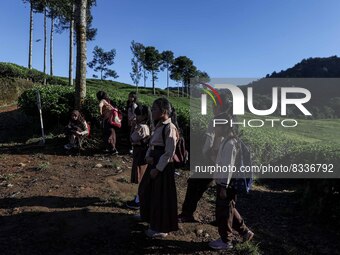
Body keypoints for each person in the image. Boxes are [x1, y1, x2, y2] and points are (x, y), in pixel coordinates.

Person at [178, 96, 233, 223]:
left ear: (220, 106)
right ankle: (225, 221)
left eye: (214, 105)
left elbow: (209, 142)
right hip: (221, 161)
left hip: (212, 160)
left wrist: (206, 156)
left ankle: (187, 213)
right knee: (221, 192)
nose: (212, 107)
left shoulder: (216, 120)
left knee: (194, 184)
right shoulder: (231, 119)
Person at [209, 111, 254, 250]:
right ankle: (245, 232)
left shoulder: (230, 143)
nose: (214, 129)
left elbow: (228, 167)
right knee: (229, 208)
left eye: (216, 126)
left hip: (227, 184)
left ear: (224, 126)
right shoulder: (226, 141)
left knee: (224, 212)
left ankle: (226, 241)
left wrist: (223, 186)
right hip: (226, 182)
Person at [138, 97, 179, 238]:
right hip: (154, 162)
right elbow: (152, 144)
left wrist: (158, 168)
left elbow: (169, 152)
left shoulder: (170, 128)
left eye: (155, 109)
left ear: (164, 111)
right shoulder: (159, 125)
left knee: (161, 197)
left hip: (163, 167)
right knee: (146, 190)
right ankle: (149, 218)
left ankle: (161, 228)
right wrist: (149, 156)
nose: (152, 111)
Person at [126, 105, 152, 210]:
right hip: (144, 154)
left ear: (144, 115)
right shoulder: (149, 125)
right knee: (143, 177)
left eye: (138, 114)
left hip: (140, 155)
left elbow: (132, 138)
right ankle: (140, 198)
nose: (136, 116)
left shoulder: (142, 127)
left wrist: (133, 127)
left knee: (141, 177)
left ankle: (139, 200)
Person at [96, 91, 118, 155]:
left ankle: (110, 148)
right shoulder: (107, 102)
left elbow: (100, 106)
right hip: (109, 120)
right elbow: (113, 109)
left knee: (107, 133)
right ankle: (111, 149)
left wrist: (100, 114)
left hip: (106, 120)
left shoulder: (103, 101)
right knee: (111, 133)